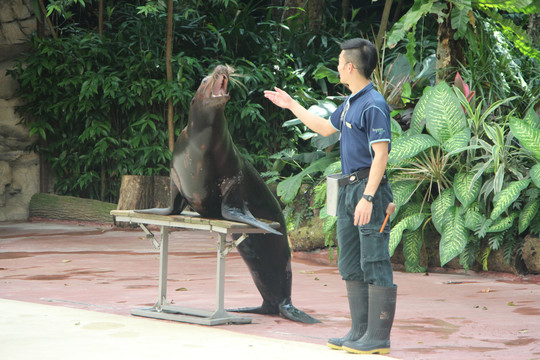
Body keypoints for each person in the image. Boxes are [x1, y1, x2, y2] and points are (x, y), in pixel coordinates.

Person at [264, 38, 397, 355]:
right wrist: (292, 105)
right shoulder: (352, 102)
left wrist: (367, 198)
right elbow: (325, 127)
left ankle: (378, 338)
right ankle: (359, 331)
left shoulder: (374, 104)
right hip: (348, 189)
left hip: (369, 193)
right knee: (351, 263)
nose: (337, 67)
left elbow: (381, 156)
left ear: (350, 66)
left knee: (374, 261)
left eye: (339, 62)